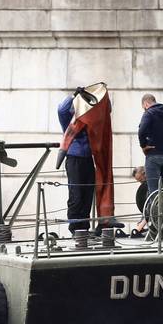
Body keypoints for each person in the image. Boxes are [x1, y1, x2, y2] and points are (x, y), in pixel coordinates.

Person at [58, 94, 94, 234]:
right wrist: (72, 96)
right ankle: (75, 228)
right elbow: (61, 110)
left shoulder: (89, 120)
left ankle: (84, 227)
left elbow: (106, 110)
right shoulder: (69, 120)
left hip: (88, 159)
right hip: (74, 159)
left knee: (87, 194)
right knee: (76, 195)